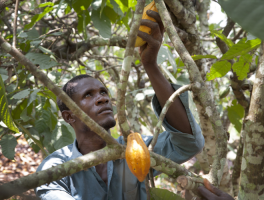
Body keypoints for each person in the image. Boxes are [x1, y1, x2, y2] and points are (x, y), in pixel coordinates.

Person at [35, 10, 204, 200]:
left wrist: (150, 65)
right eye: (88, 95)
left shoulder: (136, 149)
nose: (102, 98)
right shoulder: (55, 168)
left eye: (103, 92)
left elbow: (189, 143)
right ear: (69, 116)